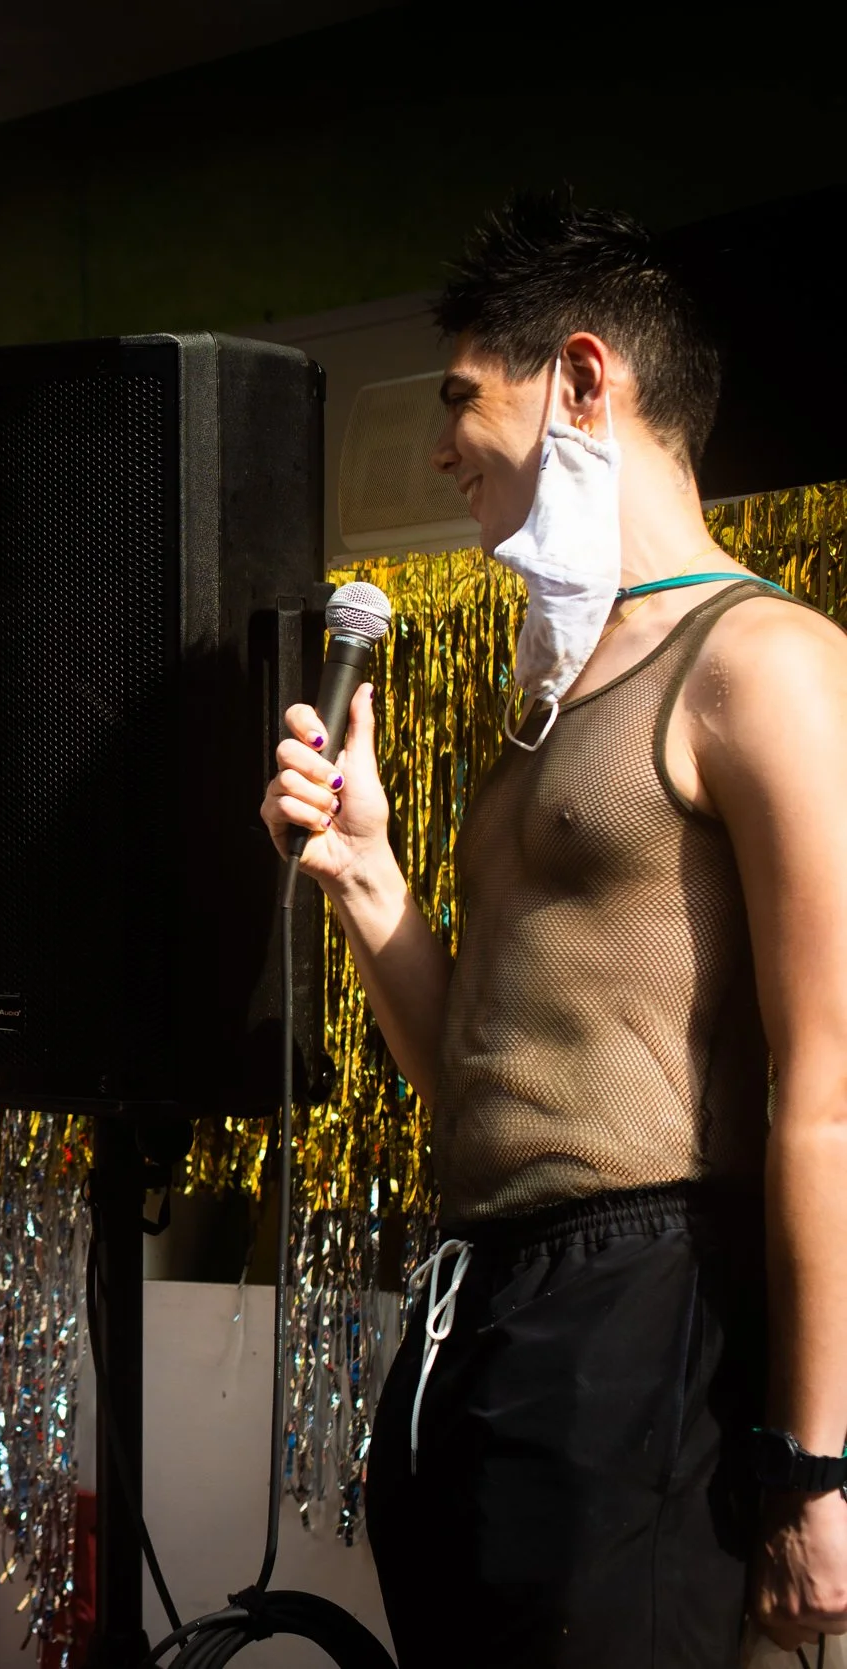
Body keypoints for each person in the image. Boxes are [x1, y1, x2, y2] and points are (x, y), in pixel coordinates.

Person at [262, 194, 847, 1662]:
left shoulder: (764, 660)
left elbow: (831, 1097)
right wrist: (366, 872)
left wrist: (818, 1461)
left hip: (650, 1302)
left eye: (466, 401)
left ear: (586, 379)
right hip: (480, 1308)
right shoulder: (544, 711)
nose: (445, 450)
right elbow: (473, 1074)